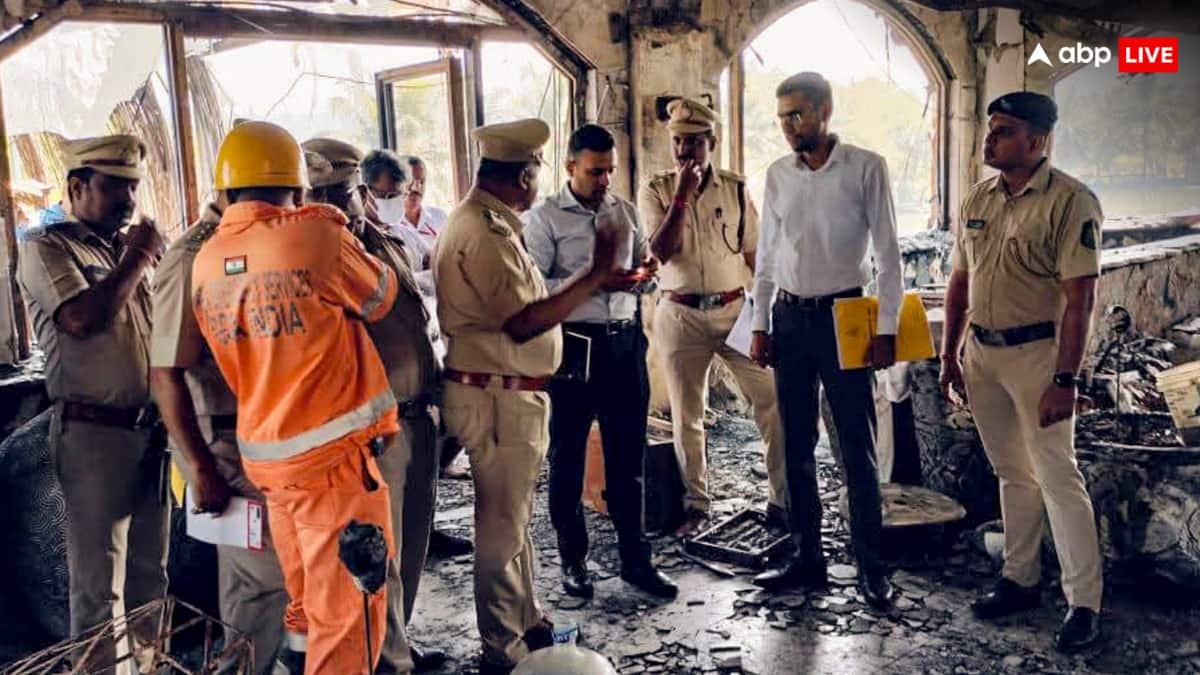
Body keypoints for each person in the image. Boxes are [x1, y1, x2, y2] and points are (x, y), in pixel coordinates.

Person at [191, 121, 400, 674]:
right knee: (350, 615)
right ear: (300, 188)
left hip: (269, 463)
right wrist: (331, 222)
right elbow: (381, 297)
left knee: (307, 605)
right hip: (332, 466)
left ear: (226, 191)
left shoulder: (207, 260)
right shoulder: (315, 236)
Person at [433, 118, 627, 675]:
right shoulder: (481, 230)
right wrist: (595, 276)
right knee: (499, 525)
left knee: (512, 520)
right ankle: (503, 644)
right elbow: (521, 323)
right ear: (525, 175)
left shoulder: (488, 221)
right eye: (537, 170)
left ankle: (527, 620)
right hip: (495, 397)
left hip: (505, 394)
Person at [940, 91, 1104, 652]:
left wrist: (1066, 380)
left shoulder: (1070, 202)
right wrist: (949, 355)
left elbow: (1081, 299)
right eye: (990, 129)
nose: (990, 140)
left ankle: (1084, 603)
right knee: (1011, 473)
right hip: (982, 355)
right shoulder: (978, 198)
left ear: (1036, 142)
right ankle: (1019, 579)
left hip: (1039, 356)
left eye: (1004, 131)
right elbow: (961, 281)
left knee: (1059, 477)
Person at [747, 72, 902, 610]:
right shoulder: (777, 176)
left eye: (799, 114)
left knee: (854, 449)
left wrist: (886, 332)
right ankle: (807, 558)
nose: (790, 126)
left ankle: (871, 568)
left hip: (847, 316)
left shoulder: (865, 168)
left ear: (825, 110)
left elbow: (888, 256)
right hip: (790, 319)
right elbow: (766, 257)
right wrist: (761, 324)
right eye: (783, 117)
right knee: (795, 447)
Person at [16, 134, 169, 671]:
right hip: (93, 434)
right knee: (99, 587)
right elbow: (83, 319)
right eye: (116, 188)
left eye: (134, 187)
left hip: (152, 430)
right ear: (78, 186)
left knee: (152, 575)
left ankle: (149, 668)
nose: (130, 200)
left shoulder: (124, 248)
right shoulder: (47, 247)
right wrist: (141, 257)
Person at [301, 137, 447, 672]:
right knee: (375, 553)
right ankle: (384, 658)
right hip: (370, 429)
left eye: (342, 192)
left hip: (419, 411)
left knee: (412, 541)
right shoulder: (312, 258)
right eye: (319, 194)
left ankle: (398, 641)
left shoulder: (384, 241)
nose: (335, 204)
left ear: (359, 191)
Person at [523, 123, 677, 601]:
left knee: (628, 458)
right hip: (574, 345)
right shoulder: (546, 219)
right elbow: (534, 288)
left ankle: (636, 559)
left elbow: (644, 277)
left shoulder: (624, 211)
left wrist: (646, 275)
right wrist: (592, 282)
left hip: (625, 344)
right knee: (567, 458)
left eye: (610, 170)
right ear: (571, 168)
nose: (605, 180)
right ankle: (574, 561)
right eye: (595, 171)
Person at [150, 192, 293, 675]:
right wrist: (201, 468)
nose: (287, 208)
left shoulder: (256, 241)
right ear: (232, 194)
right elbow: (166, 373)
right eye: (277, 198)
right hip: (225, 447)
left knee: (260, 589)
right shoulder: (192, 256)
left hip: (267, 440)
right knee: (265, 583)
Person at [637, 97, 785, 537]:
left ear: (712, 143)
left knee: (772, 400)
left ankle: (782, 500)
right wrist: (681, 195)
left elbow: (757, 258)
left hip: (735, 309)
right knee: (687, 414)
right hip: (679, 314)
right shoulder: (656, 189)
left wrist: (765, 318)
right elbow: (659, 251)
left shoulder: (737, 189)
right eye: (678, 142)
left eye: (694, 143)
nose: (684, 151)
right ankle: (696, 505)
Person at [362, 148, 430, 270]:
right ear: (364, 192)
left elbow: (433, 261)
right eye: (388, 196)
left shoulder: (405, 233)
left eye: (400, 195)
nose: (395, 202)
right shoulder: (359, 239)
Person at [398, 155, 448, 251]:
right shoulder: (389, 225)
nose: (416, 188)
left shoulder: (440, 217)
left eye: (422, 181)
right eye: (410, 181)